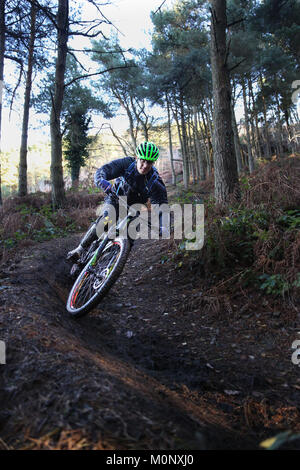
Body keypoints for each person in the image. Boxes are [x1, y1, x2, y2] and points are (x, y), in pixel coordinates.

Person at [67, 141, 169, 264]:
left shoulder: (154, 181)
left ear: (153, 163)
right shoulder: (126, 164)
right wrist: (102, 181)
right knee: (106, 221)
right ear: (136, 158)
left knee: (129, 240)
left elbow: (162, 205)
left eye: (150, 162)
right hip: (116, 198)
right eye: (143, 160)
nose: (145, 165)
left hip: (133, 209)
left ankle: (110, 266)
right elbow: (102, 171)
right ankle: (80, 249)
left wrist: (164, 226)